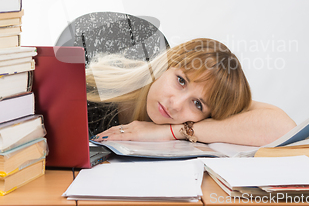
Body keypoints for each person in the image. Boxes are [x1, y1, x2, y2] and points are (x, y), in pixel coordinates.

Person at [87, 38, 295, 146]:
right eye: (181, 81)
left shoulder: (182, 126)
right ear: (167, 64)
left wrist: (173, 132)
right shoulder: (94, 88)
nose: (176, 105)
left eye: (198, 104)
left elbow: (283, 127)